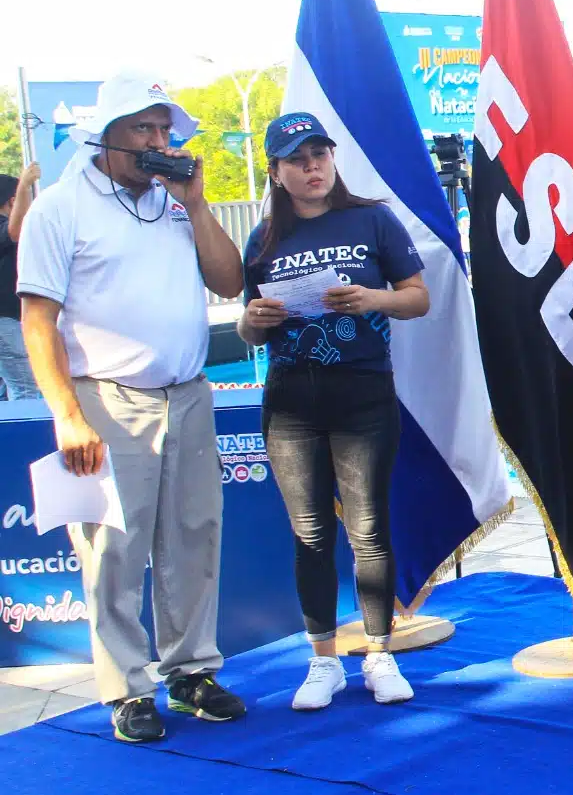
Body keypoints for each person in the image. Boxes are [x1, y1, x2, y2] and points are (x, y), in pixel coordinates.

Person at [16, 71, 248, 742]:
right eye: (143, 129)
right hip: (107, 398)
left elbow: (229, 279)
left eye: (164, 131)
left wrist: (197, 206)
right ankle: (127, 688)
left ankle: (191, 670)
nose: (157, 142)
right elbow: (37, 320)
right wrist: (67, 414)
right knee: (113, 548)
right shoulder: (60, 209)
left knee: (195, 534)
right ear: (106, 137)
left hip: (188, 393)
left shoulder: (175, 204)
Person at [236, 112, 430, 710]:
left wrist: (371, 298)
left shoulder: (372, 219)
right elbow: (249, 327)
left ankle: (379, 653)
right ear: (276, 172)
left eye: (319, 155)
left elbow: (418, 298)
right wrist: (252, 321)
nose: (312, 167)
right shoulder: (263, 238)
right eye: (297, 159)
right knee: (311, 532)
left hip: (362, 391)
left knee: (368, 528)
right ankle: (323, 659)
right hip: (291, 400)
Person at [0, 164, 42, 399]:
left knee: (13, 390)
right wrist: (25, 185)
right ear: (12, 200)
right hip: (4, 321)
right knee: (26, 390)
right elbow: (14, 231)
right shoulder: (4, 227)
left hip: (10, 321)